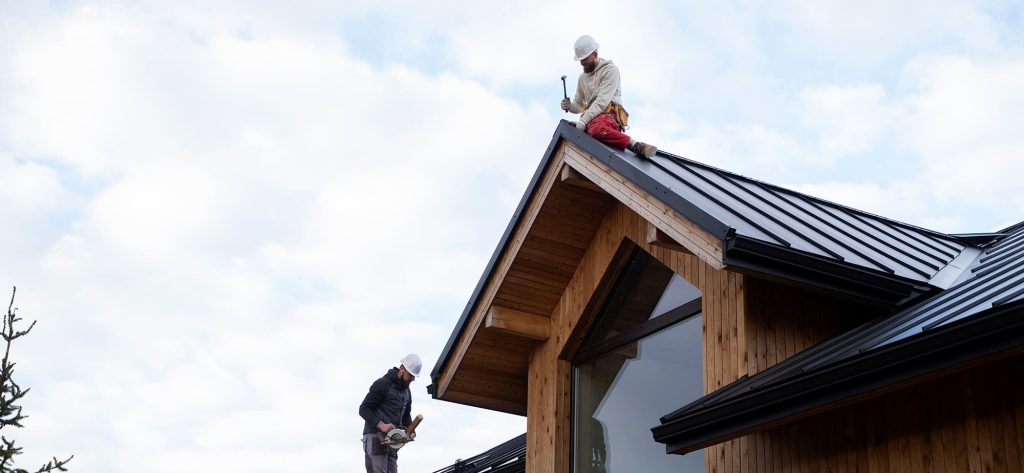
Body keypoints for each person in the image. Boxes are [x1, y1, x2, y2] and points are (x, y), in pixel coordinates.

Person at [561, 35, 658, 159]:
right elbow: (579, 104)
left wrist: (584, 121)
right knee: (574, 131)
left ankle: (635, 145)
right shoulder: (582, 78)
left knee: (596, 130)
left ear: (595, 55)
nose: (582, 63)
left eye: (584, 59)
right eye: (580, 60)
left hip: (608, 115)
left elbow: (602, 102)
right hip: (591, 117)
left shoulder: (610, 71)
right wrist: (570, 106)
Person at [359, 353, 422, 473]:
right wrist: (381, 425)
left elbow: (406, 416)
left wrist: (410, 429)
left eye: (414, 376)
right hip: (374, 438)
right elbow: (364, 409)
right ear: (402, 369)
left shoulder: (406, 392)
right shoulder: (382, 384)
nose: (413, 379)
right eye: (411, 375)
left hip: (392, 442)